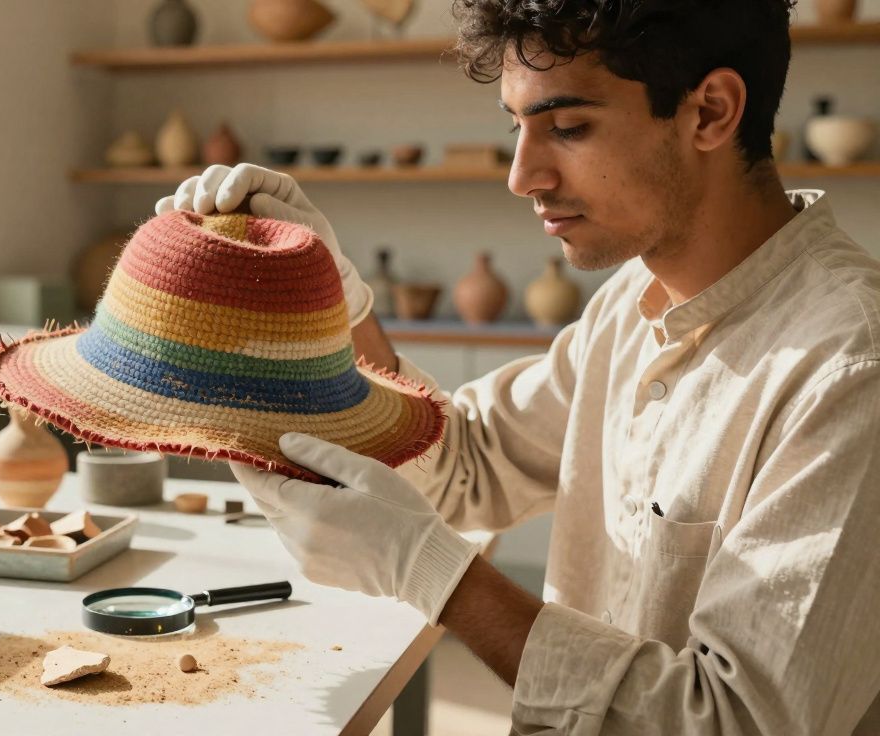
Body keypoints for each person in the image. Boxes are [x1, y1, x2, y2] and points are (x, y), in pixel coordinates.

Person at [156, 0, 880, 733]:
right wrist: (338, 302)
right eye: (517, 127)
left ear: (710, 112)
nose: (522, 175)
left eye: (567, 128)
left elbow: (738, 721)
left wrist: (432, 572)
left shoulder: (851, 366)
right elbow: (467, 459)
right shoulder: (629, 303)